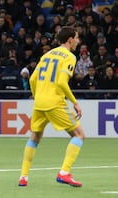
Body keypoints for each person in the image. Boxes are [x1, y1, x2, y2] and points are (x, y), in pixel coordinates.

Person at [18, 26, 85, 187]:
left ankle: (23, 177)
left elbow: (33, 79)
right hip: (54, 102)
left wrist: (37, 96)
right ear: (70, 39)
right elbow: (61, 82)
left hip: (40, 102)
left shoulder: (47, 54)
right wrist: (75, 102)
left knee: (35, 137)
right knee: (79, 135)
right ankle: (64, 172)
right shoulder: (69, 56)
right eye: (76, 38)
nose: (78, 41)